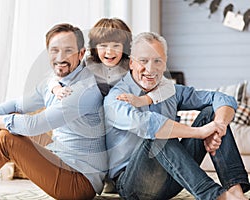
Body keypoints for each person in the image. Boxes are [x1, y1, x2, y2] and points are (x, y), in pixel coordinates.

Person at [0, 23, 107, 200]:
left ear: (80, 53)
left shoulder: (83, 90)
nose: (60, 57)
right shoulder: (55, 82)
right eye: (55, 50)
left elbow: (35, 125)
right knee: (8, 125)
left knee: (7, 140)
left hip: (79, 183)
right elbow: (19, 104)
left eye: (68, 50)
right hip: (62, 156)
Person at [104, 32, 250, 200]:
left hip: (172, 179)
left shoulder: (169, 91)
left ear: (164, 63)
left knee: (211, 112)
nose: (150, 69)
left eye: (157, 61)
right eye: (143, 61)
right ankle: (218, 197)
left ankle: (236, 191)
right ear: (131, 63)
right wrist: (200, 132)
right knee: (158, 134)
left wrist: (219, 126)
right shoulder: (116, 98)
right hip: (133, 186)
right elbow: (149, 125)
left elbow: (221, 98)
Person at [50, 18, 174, 107]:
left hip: (123, 112)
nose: (109, 52)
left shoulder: (130, 64)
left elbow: (168, 86)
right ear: (95, 47)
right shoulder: (88, 62)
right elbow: (54, 77)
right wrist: (56, 89)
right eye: (103, 46)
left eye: (116, 46)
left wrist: (144, 100)